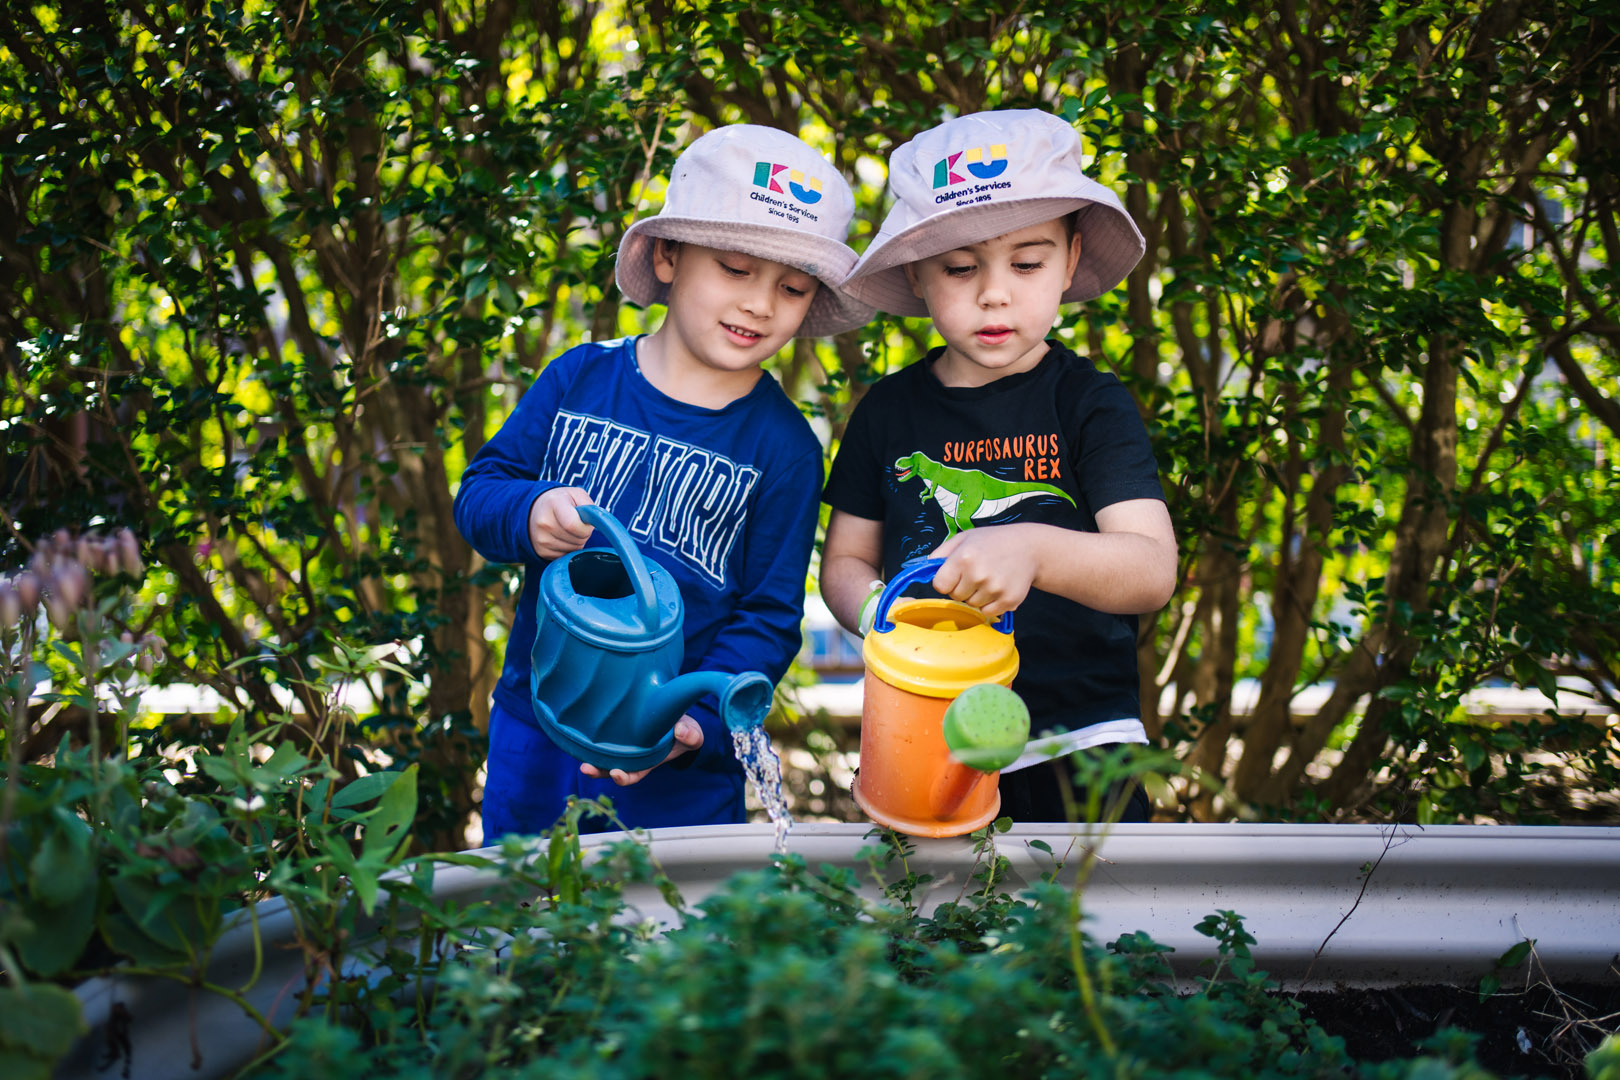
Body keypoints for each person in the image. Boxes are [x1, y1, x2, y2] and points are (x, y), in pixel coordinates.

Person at [456, 124, 872, 840]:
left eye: (792, 287)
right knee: (521, 925)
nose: (760, 304)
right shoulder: (579, 379)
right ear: (669, 255)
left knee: (670, 942)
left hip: (675, 765)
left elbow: (768, 618)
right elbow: (481, 492)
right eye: (736, 268)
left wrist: (699, 722)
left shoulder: (785, 449)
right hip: (538, 725)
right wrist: (529, 515)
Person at [821, 109, 1177, 823]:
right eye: (960, 267)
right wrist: (891, 621)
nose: (994, 292)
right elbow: (844, 563)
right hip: (925, 731)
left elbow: (1150, 571)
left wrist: (1032, 548)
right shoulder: (887, 412)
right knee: (929, 925)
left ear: (1071, 260)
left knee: (1086, 932)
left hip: (1078, 744)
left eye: (1027, 261)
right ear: (917, 273)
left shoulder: (1089, 404)